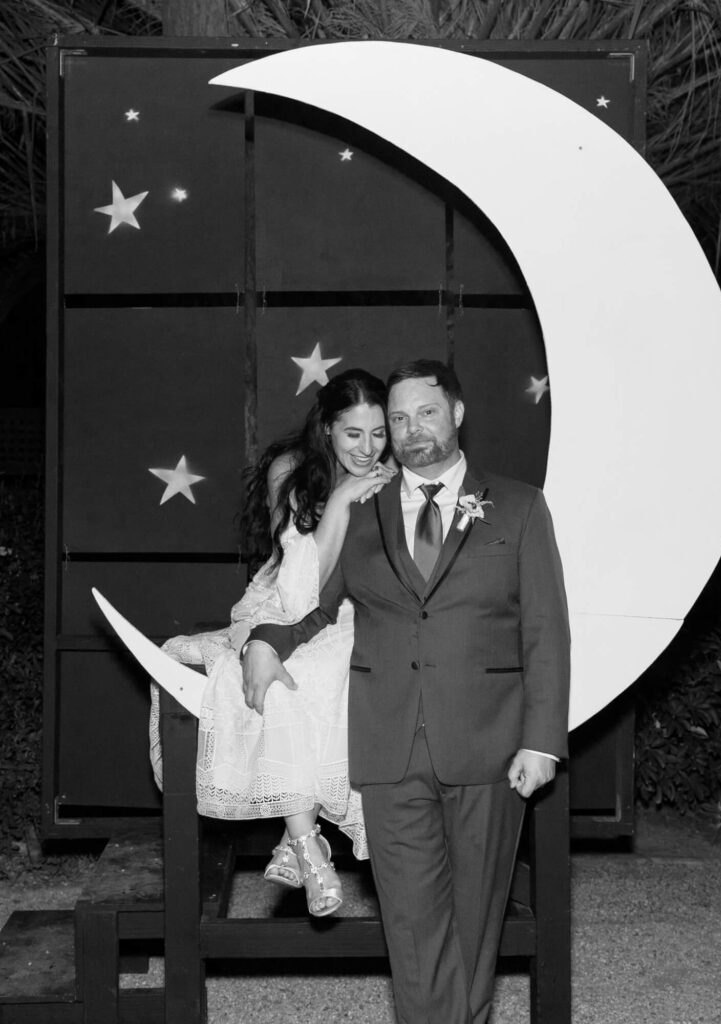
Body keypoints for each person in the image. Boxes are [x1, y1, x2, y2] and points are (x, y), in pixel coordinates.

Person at [241, 359, 570, 1024]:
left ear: (456, 413)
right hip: (389, 749)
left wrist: (542, 741)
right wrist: (264, 641)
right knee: (413, 935)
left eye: (425, 412)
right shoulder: (366, 509)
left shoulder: (520, 505)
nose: (411, 428)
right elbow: (318, 610)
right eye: (398, 418)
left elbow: (546, 631)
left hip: (489, 751)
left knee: (475, 929)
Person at [148, 368, 395, 917]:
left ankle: (295, 832)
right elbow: (300, 587)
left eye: (378, 433)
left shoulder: (393, 474)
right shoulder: (292, 469)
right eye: (353, 433)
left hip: (354, 612)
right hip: (282, 604)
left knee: (328, 681)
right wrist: (342, 501)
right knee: (275, 688)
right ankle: (310, 849)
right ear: (328, 428)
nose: (368, 447)